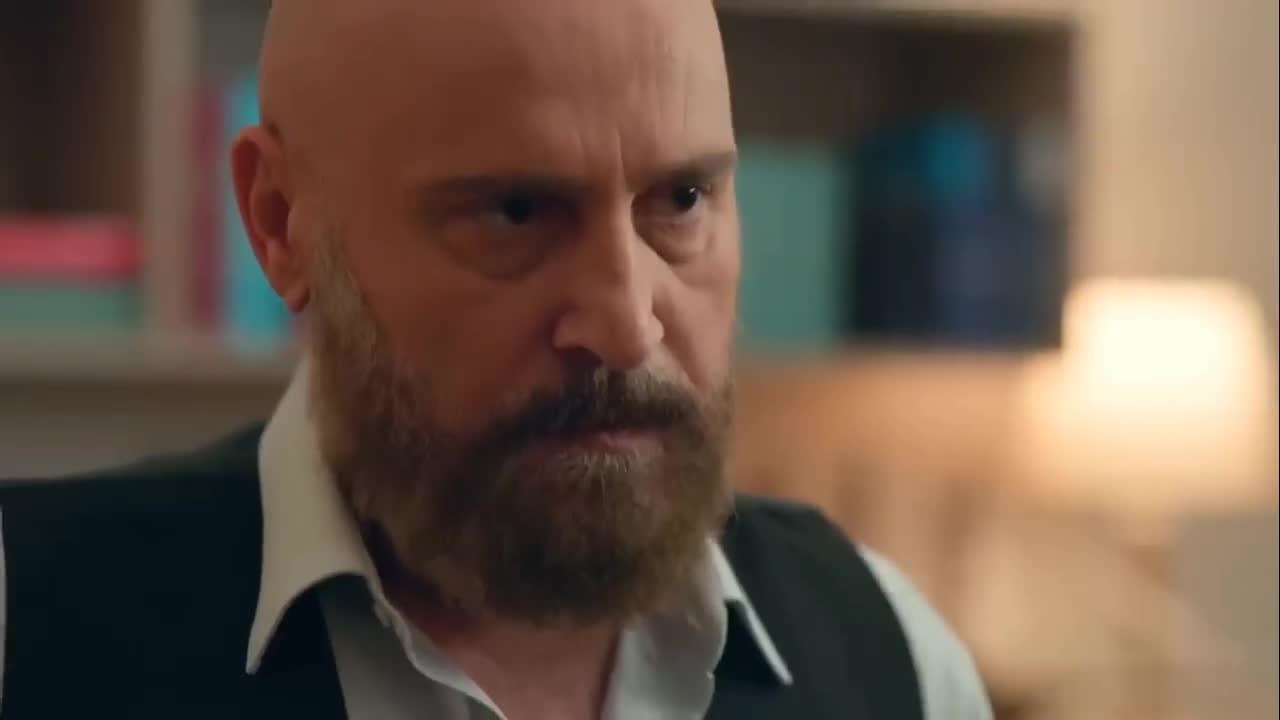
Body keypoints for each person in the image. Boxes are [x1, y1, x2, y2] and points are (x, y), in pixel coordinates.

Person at [0, 0, 992, 718]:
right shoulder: (28, 633)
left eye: (681, 201)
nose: (625, 327)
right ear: (279, 222)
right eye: (516, 212)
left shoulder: (895, 663)